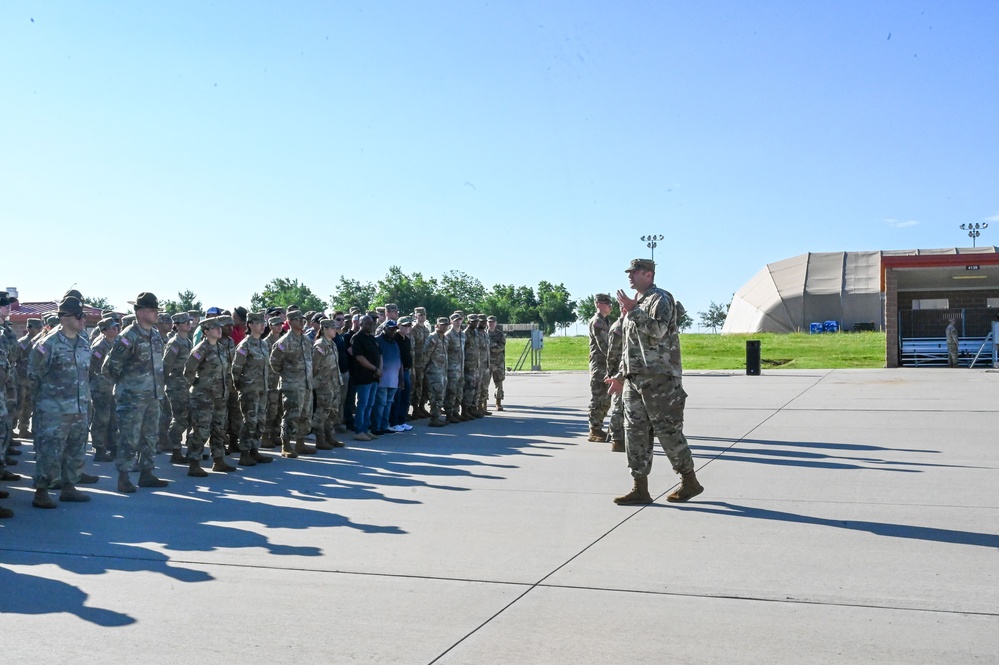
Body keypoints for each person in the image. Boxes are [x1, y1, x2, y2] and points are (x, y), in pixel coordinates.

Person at [607, 259, 703, 505]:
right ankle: (640, 488)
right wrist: (619, 376)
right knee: (634, 434)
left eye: (635, 272)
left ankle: (689, 481)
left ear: (648, 275)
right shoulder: (635, 305)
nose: (630, 276)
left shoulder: (661, 299)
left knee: (668, 432)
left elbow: (658, 330)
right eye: (628, 272)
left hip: (660, 379)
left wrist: (633, 310)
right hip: (635, 380)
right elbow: (631, 348)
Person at [28, 296, 100, 508]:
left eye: (83, 315)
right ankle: (41, 492)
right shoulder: (47, 344)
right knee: (50, 453)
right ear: (64, 318)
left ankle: (69, 488)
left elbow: (87, 374)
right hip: (53, 411)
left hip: (79, 408)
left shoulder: (84, 342)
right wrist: (43, 406)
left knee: (76, 450)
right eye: (78, 316)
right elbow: (33, 377)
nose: (82, 319)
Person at [102, 292, 170, 493]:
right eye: (152, 310)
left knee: (150, 437)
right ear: (140, 313)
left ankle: (147, 473)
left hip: (153, 395)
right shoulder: (128, 337)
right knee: (129, 439)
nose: (157, 314)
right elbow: (110, 367)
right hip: (132, 398)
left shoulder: (155, 335)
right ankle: (123, 478)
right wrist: (128, 386)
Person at [184, 317, 236, 475]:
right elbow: (188, 371)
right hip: (203, 397)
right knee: (201, 430)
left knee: (219, 429)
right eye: (214, 328)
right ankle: (194, 463)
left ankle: (218, 460)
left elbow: (227, 371)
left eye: (219, 327)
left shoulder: (221, 348)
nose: (219, 330)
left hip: (220, 396)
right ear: (206, 331)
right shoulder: (201, 349)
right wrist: (198, 385)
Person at [269, 310, 316, 457]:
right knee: (291, 415)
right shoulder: (284, 342)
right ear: (289, 322)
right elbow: (274, 362)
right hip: (292, 385)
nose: (302, 322)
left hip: (306, 383)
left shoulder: (306, 340)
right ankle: (286, 445)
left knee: (305, 415)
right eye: (298, 319)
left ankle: (300, 443)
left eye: (303, 319)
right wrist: (287, 375)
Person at [231, 312, 274, 465]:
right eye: (258, 323)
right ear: (250, 325)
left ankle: (255, 450)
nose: (263, 325)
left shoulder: (263, 344)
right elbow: (235, 369)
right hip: (249, 389)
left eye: (263, 323)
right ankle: (244, 453)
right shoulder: (244, 345)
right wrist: (240, 387)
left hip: (262, 388)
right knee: (249, 421)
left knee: (260, 420)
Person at [162, 312, 194, 464]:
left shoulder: (186, 341)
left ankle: (183, 449)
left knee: (186, 417)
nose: (188, 323)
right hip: (176, 385)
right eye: (184, 321)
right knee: (179, 417)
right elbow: (166, 365)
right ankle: (175, 449)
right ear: (177, 325)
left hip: (186, 385)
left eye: (189, 321)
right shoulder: (174, 343)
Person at [89, 317, 120, 462]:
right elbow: (91, 367)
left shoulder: (115, 342)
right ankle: (99, 448)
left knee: (113, 418)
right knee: (101, 418)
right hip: (100, 387)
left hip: (112, 386)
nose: (115, 329)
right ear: (104, 331)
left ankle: (112, 446)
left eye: (116, 327)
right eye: (112, 328)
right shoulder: (100, 346)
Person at [310, 317, 344, 450]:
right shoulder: (320, 345)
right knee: (322, 412)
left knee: (332, 412)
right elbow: (313, 366)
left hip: (334, 383)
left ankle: (330, 437)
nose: (335, 330)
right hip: (324, 384)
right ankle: (320, 439)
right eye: (332, 328)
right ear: (324, 329)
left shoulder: (332, 344)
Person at [349, 315, 381, 441]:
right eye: (367, 324)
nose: (371, 326)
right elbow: (359, 357)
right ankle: (359, 430)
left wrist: (379, 369)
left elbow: (379, 354)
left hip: (374, 377)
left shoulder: (372, 338)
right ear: (361, 324)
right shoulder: (357, 338)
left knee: (370, 404)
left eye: (372, 323)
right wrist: (374, 368)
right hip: (363, 376)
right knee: (362, 404)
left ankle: (366, 429)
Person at [587, 293, 613, 441]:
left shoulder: (605, 321)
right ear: (598, 304)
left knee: (606, 399)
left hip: (606, 366)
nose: (610, 305)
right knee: (598, 398)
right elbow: (605, 346)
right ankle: (594, 429)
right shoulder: (597, 322)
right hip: (599, 366)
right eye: (606, 303)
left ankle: (598, 426)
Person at [372, 320, 402, 435]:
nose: (393, 331)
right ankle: (376, 427)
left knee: (389, 403)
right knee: (380, 403)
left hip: (394, 379)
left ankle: (384, 425)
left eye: (394, 329)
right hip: (382, 379)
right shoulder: (377, 340)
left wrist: (401, 378)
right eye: (390, 329)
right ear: (384, 328)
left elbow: (399, 361)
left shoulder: (394, 342)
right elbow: (375, 358)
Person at [14, 318, 43, 438]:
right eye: (37, 328)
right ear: (30, 328)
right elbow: (14, 357)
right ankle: (11, 429)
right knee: (18, 405)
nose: (39, 330)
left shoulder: (40, 343)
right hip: (21, 378)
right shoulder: (22, 342)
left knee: (28, 406)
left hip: (32, 379)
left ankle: (24, 428)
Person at [261, 316, 285, 448]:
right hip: (270, 381)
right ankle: (265, 436)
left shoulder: (282, 340)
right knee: (271, 409)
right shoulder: (266, 342)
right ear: (270, 326)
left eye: (280, 324)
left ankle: (275, 434)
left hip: (281, 378)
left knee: (280, 409)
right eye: (276, 325)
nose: (279, 327)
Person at [423, 317, 450, 427]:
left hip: (442, 371)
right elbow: (426, 355)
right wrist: (424, 369)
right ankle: (434, 418)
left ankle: (437, 416)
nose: (444, 327)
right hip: (434, 371)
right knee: (436, 394)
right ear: (437, 325)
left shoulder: (445, 338)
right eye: (442, 325)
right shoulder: (432, 338)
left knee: (441, 394)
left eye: (446, 325)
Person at [605, 315, 626, 452]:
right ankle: (617, 440)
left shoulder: (630, 323)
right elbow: (611, 354)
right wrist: (612, 375)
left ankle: (615, 435)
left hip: (627, 371)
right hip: (619, 372)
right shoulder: (618, 327)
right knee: (618, 407)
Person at [408, 307, 430, 418]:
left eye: (424, 315)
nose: (422, 317)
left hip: (425, 363)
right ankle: (415, 408)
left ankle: (422, 406)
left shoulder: (426, 329)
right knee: (416, 386)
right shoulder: (413, 330)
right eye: (420, 315)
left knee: (424, 385)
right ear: (415, 316)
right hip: (416, 363)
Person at [443, 313, 465, 424]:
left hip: (460, 368)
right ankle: (449, 413)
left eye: (459, 320)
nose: (458, 322)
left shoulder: (462, 334)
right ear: (451, 322)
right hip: (451, 368)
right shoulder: (448, 335)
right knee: (451, 391)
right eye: (455, 320)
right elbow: (444, 352)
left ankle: (456, 411)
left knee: (459, 391)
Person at [486, 316, 506, 411]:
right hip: (486, 362)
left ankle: (498, 403)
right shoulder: (484, 334)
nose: (491, 324)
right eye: (489, 322)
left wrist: (491, 346)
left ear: (496, 323)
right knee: (484, 384)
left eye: (493, 322)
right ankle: (483, 404)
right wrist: (493, 346)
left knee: (499, 383)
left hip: (498, 363)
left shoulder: (500, 335)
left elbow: (501, 347)